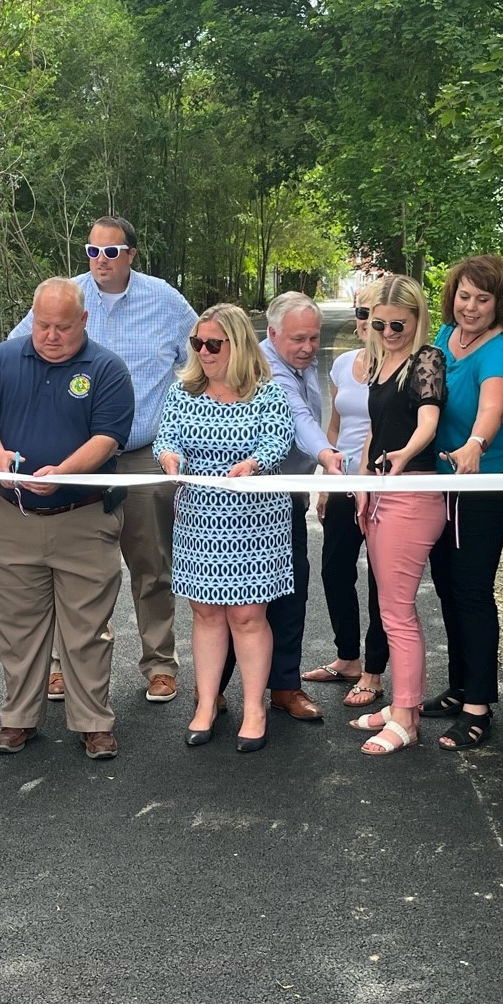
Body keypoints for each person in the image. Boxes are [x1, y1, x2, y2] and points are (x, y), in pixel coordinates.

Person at [12, 216, 194, 704]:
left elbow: (199, 364)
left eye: (111, 252)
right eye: (93, 251)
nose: (100, 261)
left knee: (151, 564)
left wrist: (183, 432)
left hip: (140, 457)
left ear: (131, 254)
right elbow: (17, 352)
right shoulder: (65, 298)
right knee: (72, 566)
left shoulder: (165, 301)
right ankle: (61, 665)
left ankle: (160, 663)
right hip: (74, 461)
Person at [0, 278, 135, 759]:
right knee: (17, 627)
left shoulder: (107, 369)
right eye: (43, 325)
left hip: (84, 518)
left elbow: (108, 438)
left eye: (63, 326)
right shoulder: (2, 360)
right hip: (13, 517)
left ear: (84, 320)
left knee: (87, 630)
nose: (51, 336)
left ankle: (94, 722)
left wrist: (64, 473)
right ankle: (18, 718)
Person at [155, 304, 298, 752]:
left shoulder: (268, 393)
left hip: (256, 520)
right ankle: (206, 703)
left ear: (238, 345)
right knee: (206, 613)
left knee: (248, 616)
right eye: (197, 343)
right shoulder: (182, 392)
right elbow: (166, 437)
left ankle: (254, 708)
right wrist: (168, 456)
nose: (203, 351)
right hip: (199, 519)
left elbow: (279, 439)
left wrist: (254, 463)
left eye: (213, 344)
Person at [423, 256, 503, 750]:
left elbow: (493, 405)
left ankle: (479, 707)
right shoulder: (446, 335)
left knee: (470, 587)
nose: (470, 307)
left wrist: (476, 443)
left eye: (482, 299)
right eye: (464, 295)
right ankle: (460, 686)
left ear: (499, 302)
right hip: (442, 477)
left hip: (489, 477)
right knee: (447, 583)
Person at [216, 291, 342, 727]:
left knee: (291, 591)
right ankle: (213, 690)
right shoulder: (263, 367)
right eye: (298, 339)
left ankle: (285, 687)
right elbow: (299, 421)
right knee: (234, 597)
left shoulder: (302, 365)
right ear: (271, 334)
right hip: (244, 500)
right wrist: (326, 455)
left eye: (314, 337)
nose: (308, 347)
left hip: (288, 495)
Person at [348, 275, 446, 756]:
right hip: (384, 491)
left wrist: (404, 455)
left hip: (412, 493)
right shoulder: (380, 362)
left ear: (416, 319)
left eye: (398, 325)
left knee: (398, 611)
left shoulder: (427, 359)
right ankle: (403, 705)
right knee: (391, 608)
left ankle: (407, 716)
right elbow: (374, 429)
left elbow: (428, 420)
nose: (388, 332)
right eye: (379, 324)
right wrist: (364, 483)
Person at [307, 283, 387, 710]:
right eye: (361, 313)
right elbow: (334, 427)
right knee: (335, 570)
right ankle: (348, 658)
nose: (365, 322)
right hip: (344, 481)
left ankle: (374, 670)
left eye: (374, 314)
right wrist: (327, 482)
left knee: (381, 579)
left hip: (384, 484)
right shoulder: (342, 364)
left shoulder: (403, 368)